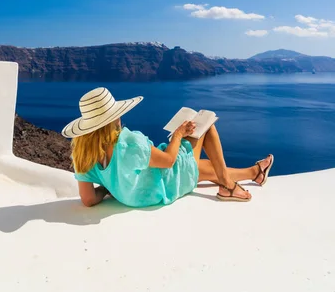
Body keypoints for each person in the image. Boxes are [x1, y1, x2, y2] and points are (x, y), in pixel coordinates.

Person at [62, 87, 274, 208]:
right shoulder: (129, 143)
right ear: (113, 119)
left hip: (136, 195)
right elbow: (168, 162)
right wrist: (179, 135)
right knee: (206, 126)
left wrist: (111, 187)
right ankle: (228, 186)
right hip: (164, 186)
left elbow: (88, 199)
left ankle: (256, 172)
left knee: (203, 167)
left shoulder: (82, 154)